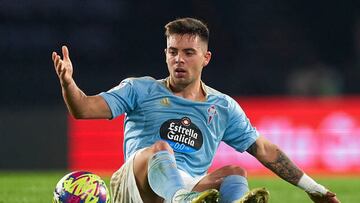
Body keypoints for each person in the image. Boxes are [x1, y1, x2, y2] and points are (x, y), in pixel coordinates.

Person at [52, 17, 340, 203]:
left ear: (206, 58)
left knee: (235, 172)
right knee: (158, 149)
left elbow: (266, 151)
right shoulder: (140, 89)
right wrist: (68, 84)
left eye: (188, 53)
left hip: (192, 186)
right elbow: (84, 109)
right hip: (137, 189)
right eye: (172, 51)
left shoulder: (222, 106)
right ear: (165, 54)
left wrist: (314, 189)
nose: (179, 59)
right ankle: (183, 199)